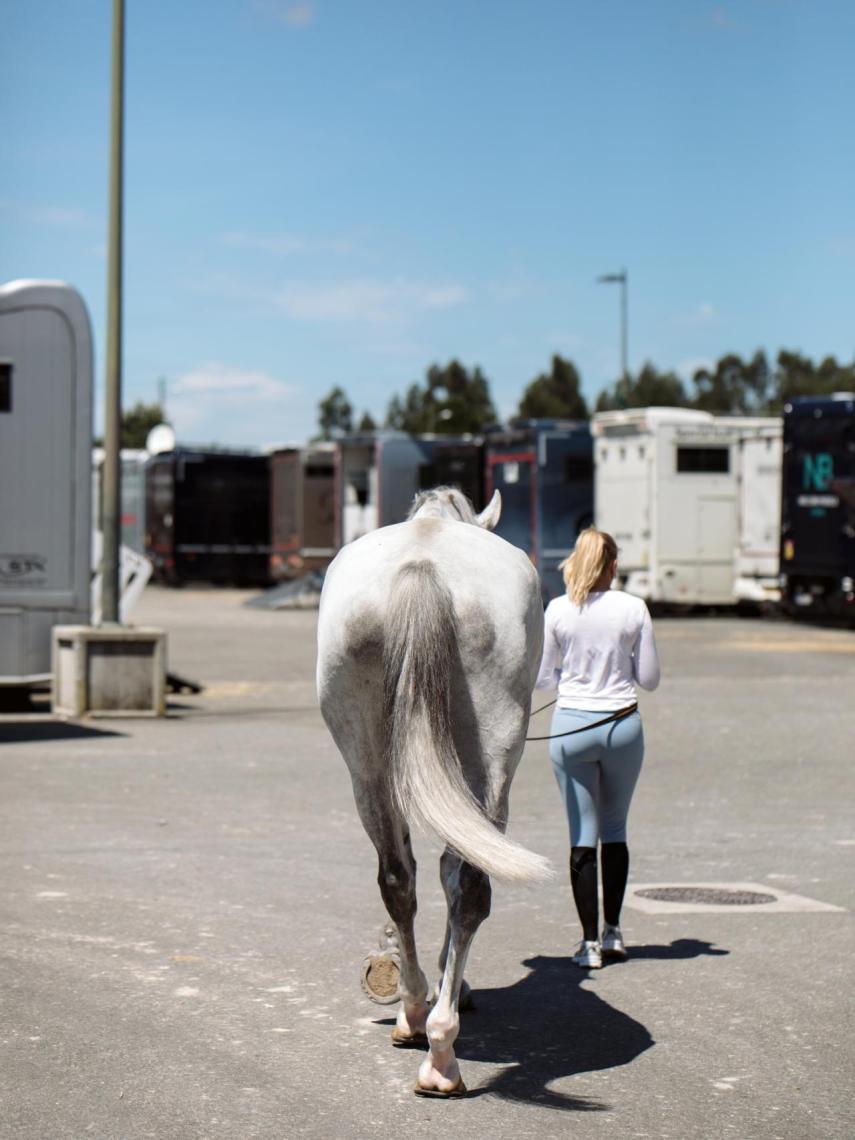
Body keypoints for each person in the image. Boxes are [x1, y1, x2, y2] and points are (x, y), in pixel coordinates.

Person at [535, 527, 660, 968]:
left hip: (571, 727)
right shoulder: (634, 608)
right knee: (615, 828)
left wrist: (575, 672)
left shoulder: (557, 610)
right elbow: (649, 679)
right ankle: (614, 933)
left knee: (582, 834)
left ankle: (587, 944)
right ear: (611, 566)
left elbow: (543, 679)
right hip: (622, 725)